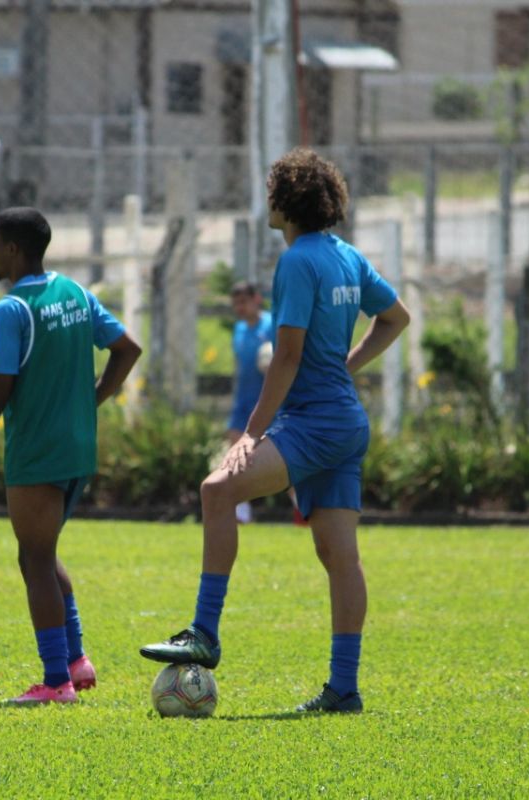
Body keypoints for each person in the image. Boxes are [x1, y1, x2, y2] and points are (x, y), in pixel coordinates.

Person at [140, 148, 411, 713]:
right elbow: (396, 318)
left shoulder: (296, 262)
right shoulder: (345, 256)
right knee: (340, 556)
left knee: (217, 491)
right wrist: (346, 366)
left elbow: (285, 356)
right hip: (344, 421)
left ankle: (204, 633)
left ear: (287, 202)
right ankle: (344, 689)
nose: (267, 201)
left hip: (312, 421)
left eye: (272, 192)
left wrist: (250, 435)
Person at [0, 207, 142, 706]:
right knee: (40, 554)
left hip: (37, 451)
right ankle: (74, 660)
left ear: (13, 249)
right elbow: (127, 349)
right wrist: (90, 402)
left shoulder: (11, 310)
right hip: (76, 448)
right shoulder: (74, 292)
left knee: (36, 558)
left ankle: (56, 682)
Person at [225, 281, 273, 524]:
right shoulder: (239, 330)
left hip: (268, 402)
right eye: (235, 303)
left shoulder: (272, 325)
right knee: (235, 452)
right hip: (243, 401)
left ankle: (303, 510)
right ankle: (241, 513)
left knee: (284, 456)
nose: (239, 308)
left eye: (243, 301)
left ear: (256, 299)